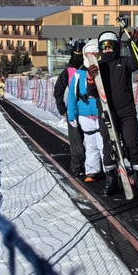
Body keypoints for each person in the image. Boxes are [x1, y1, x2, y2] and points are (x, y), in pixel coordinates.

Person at [88, 29, 138, 197]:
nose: (107, 49)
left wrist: (134, 46)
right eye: (104, 46)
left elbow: (137, 63)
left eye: (111, 45)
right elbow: (92, 92)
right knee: (108, 147)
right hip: (107, 114)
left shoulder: (124, 62)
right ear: (100, 48)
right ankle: (112, 180)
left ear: (116, 47)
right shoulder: (98, 67)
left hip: (126, 113)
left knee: (133, 144)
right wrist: (91, 79)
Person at [67, 40, 106, 183]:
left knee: (104, 143)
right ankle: (93, 170)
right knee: (90, 144)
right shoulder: (78, 75)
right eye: (89, 54)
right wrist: (72, 115)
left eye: (95, 54)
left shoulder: (103, 72)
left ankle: (110, 168)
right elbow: (71, 96)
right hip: (85, 115)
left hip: (100, 113)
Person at [54, 40, 87, 180]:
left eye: (81, 53)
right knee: (76, 141)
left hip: (90, 110)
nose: (78, 56)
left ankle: (94, 166)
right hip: (73, 110)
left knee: (93, 141)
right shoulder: (68, 71)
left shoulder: (89, 68)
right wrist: (61, 107)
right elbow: (58, 90)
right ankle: (77, 166)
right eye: (76, 53)